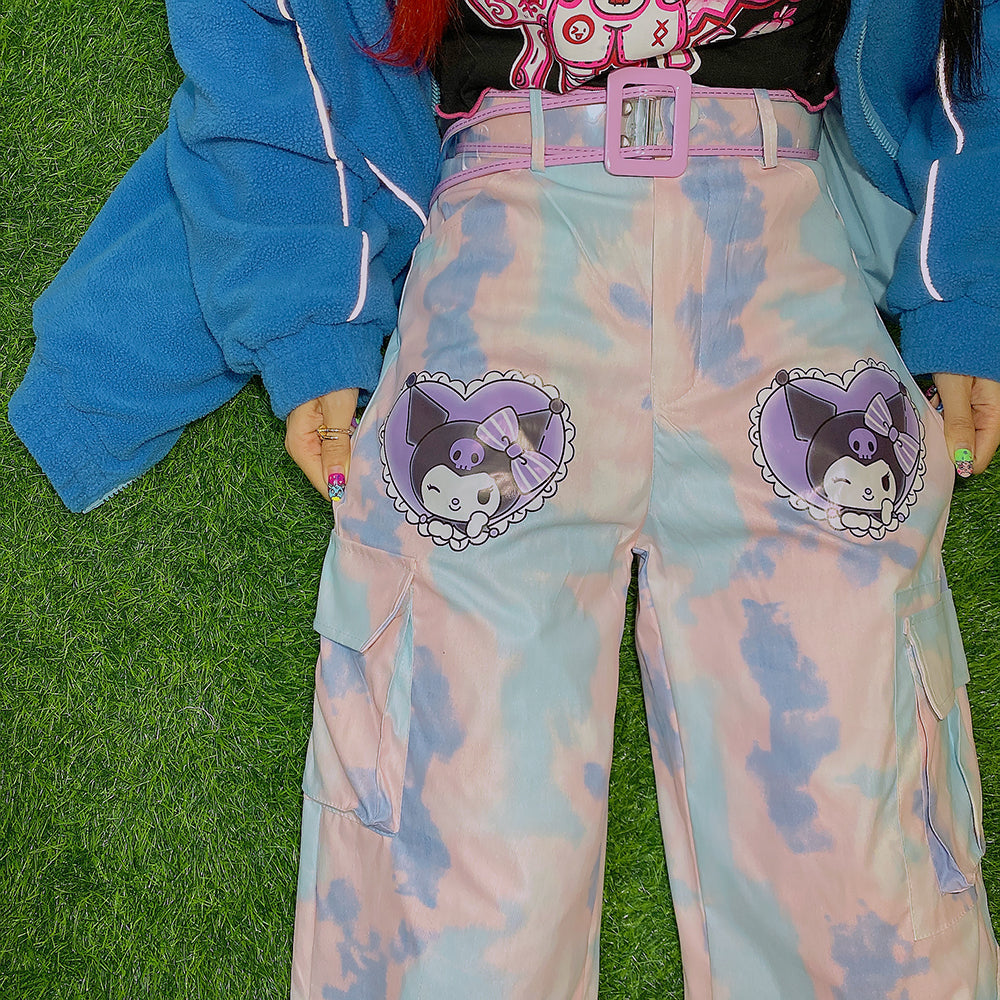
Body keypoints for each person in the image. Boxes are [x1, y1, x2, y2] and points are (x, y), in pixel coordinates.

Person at [8, 0, 1000, 997]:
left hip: (780, 233)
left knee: (855, 838)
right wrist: (310, 301)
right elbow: (272, 28)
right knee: (455, 857)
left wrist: (970, 269)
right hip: (504, 243)